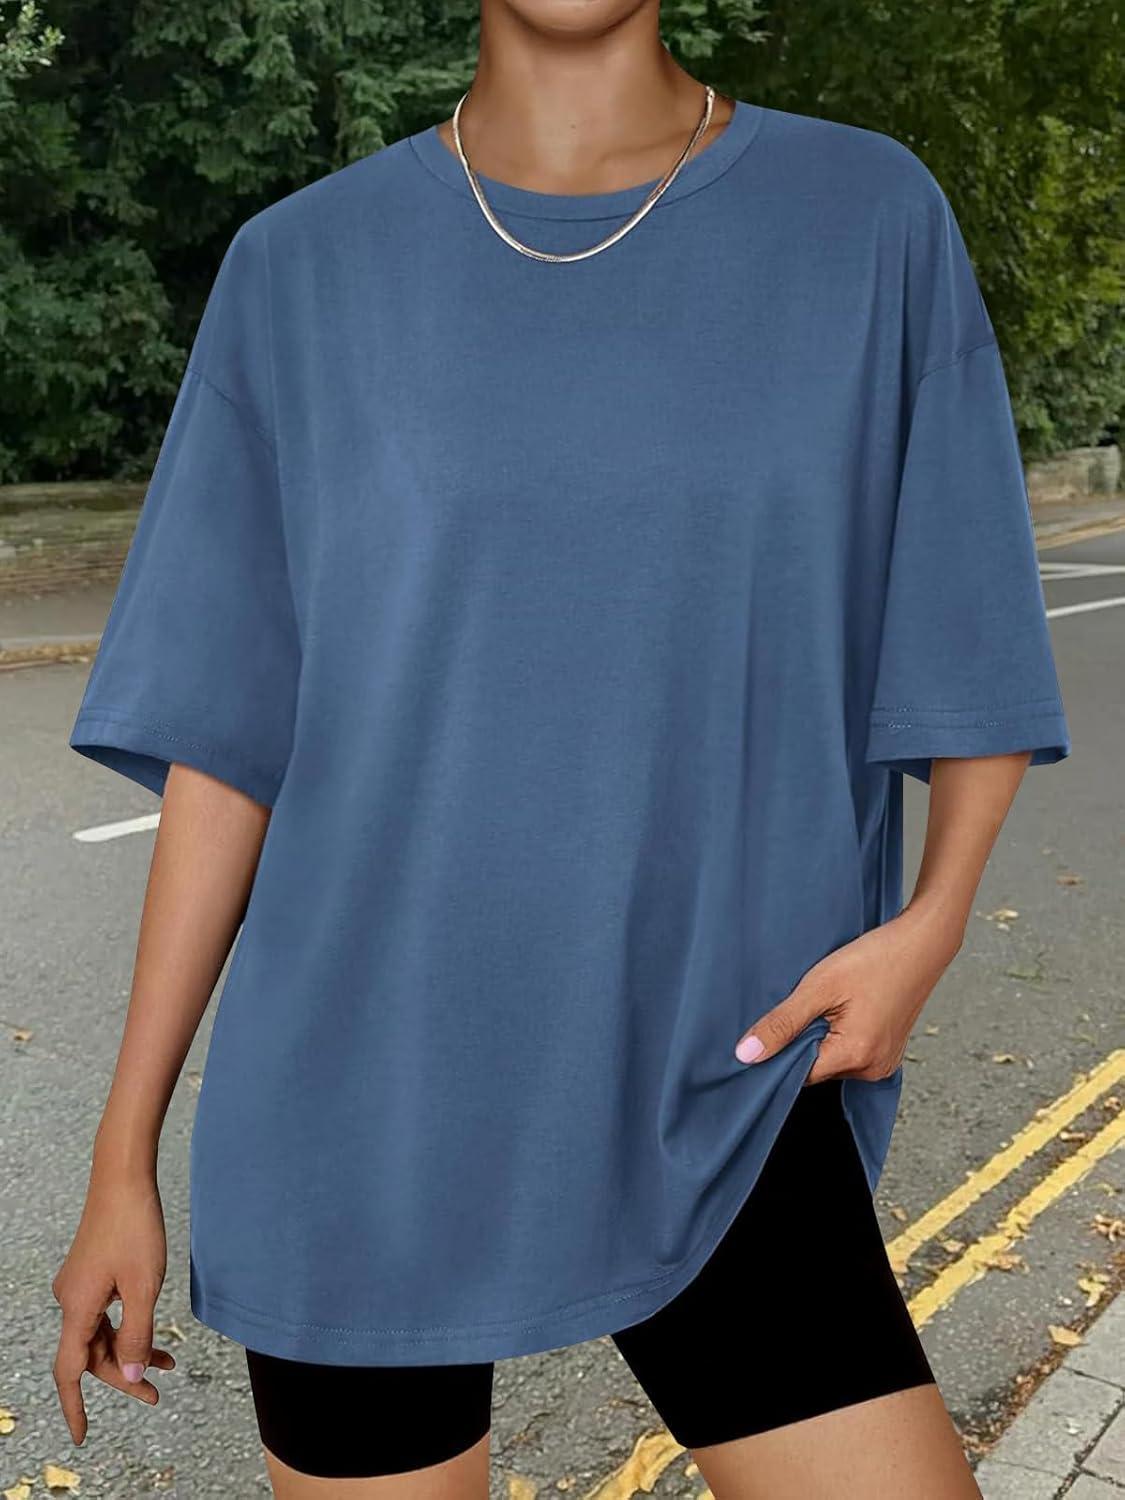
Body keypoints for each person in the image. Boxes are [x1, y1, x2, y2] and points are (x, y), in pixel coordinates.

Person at [52, 4, 1072, 1497]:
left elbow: (960, 608)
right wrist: (122, 1154)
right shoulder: (299, 268)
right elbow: (228, 742)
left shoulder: (864, 217)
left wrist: (934, 918)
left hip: (726, 1067)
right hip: (361, 1095)